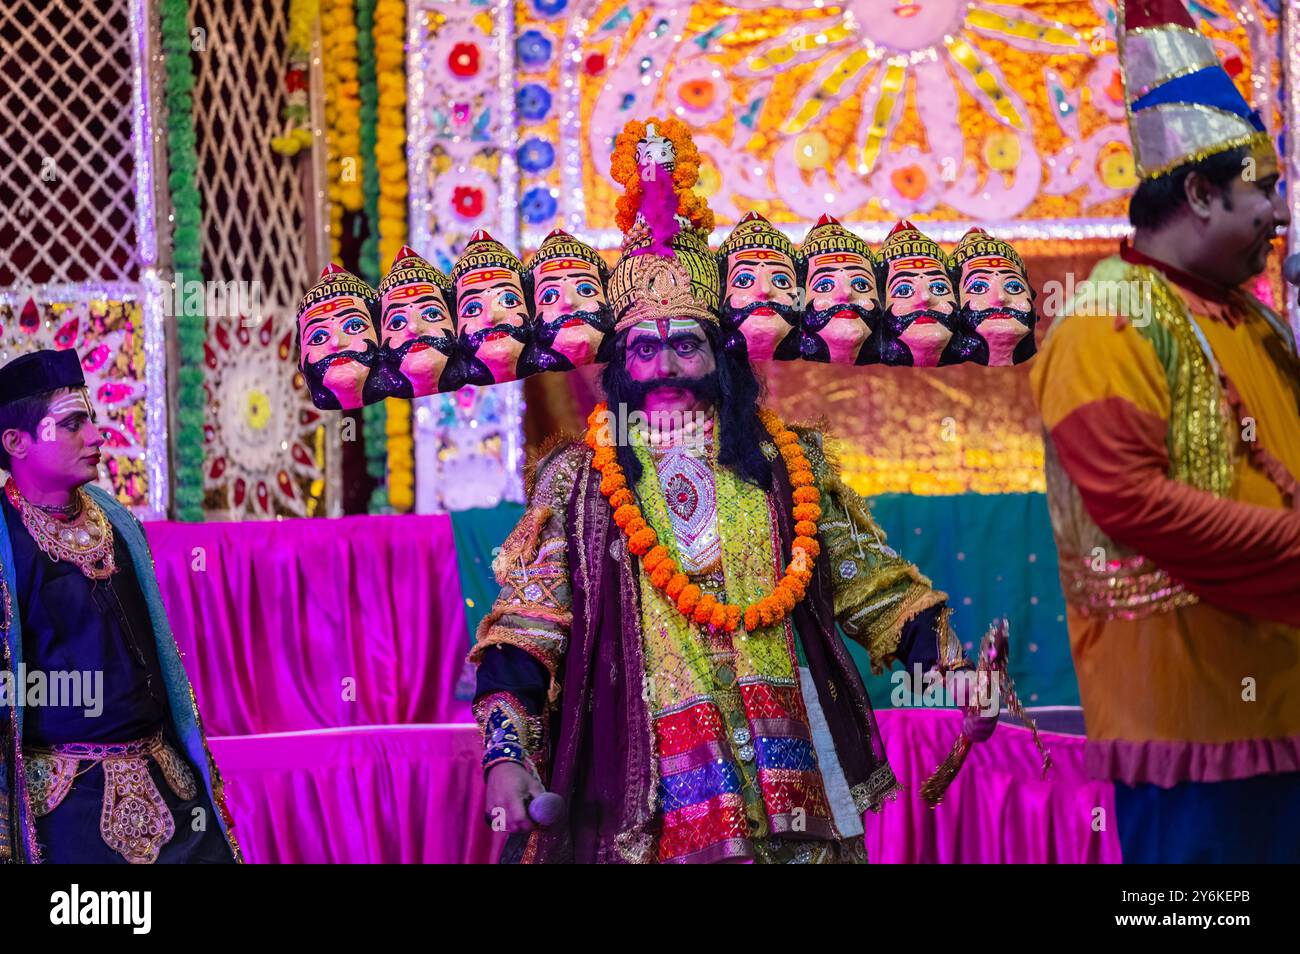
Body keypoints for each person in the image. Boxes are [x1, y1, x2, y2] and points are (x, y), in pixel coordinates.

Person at [469, 118, 996, 864]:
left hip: (792, 783)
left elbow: (874, 591)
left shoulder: (788, 465)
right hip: (649, 791)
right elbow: (527, 631)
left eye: (686, 344)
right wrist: (505, 756)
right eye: (643, 349)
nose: (664, 367)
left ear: (720, 359)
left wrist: (954, 677)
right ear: (618, 365)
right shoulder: (581, 484)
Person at [1030, 0, 1300, 862]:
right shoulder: (1107, 316)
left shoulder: (1255, 325)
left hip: (1280, 704)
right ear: (1197, 191)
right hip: (1189, 727)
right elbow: (1132, 503)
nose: (1278, 218)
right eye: (1264, 192)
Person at [0, 349, 238, 863]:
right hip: (64, 808)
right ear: (16, 442)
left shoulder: (115, 520)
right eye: (71, 424)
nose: (96, 436)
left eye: (91, 419)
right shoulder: (5, 543)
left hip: (169, 785)